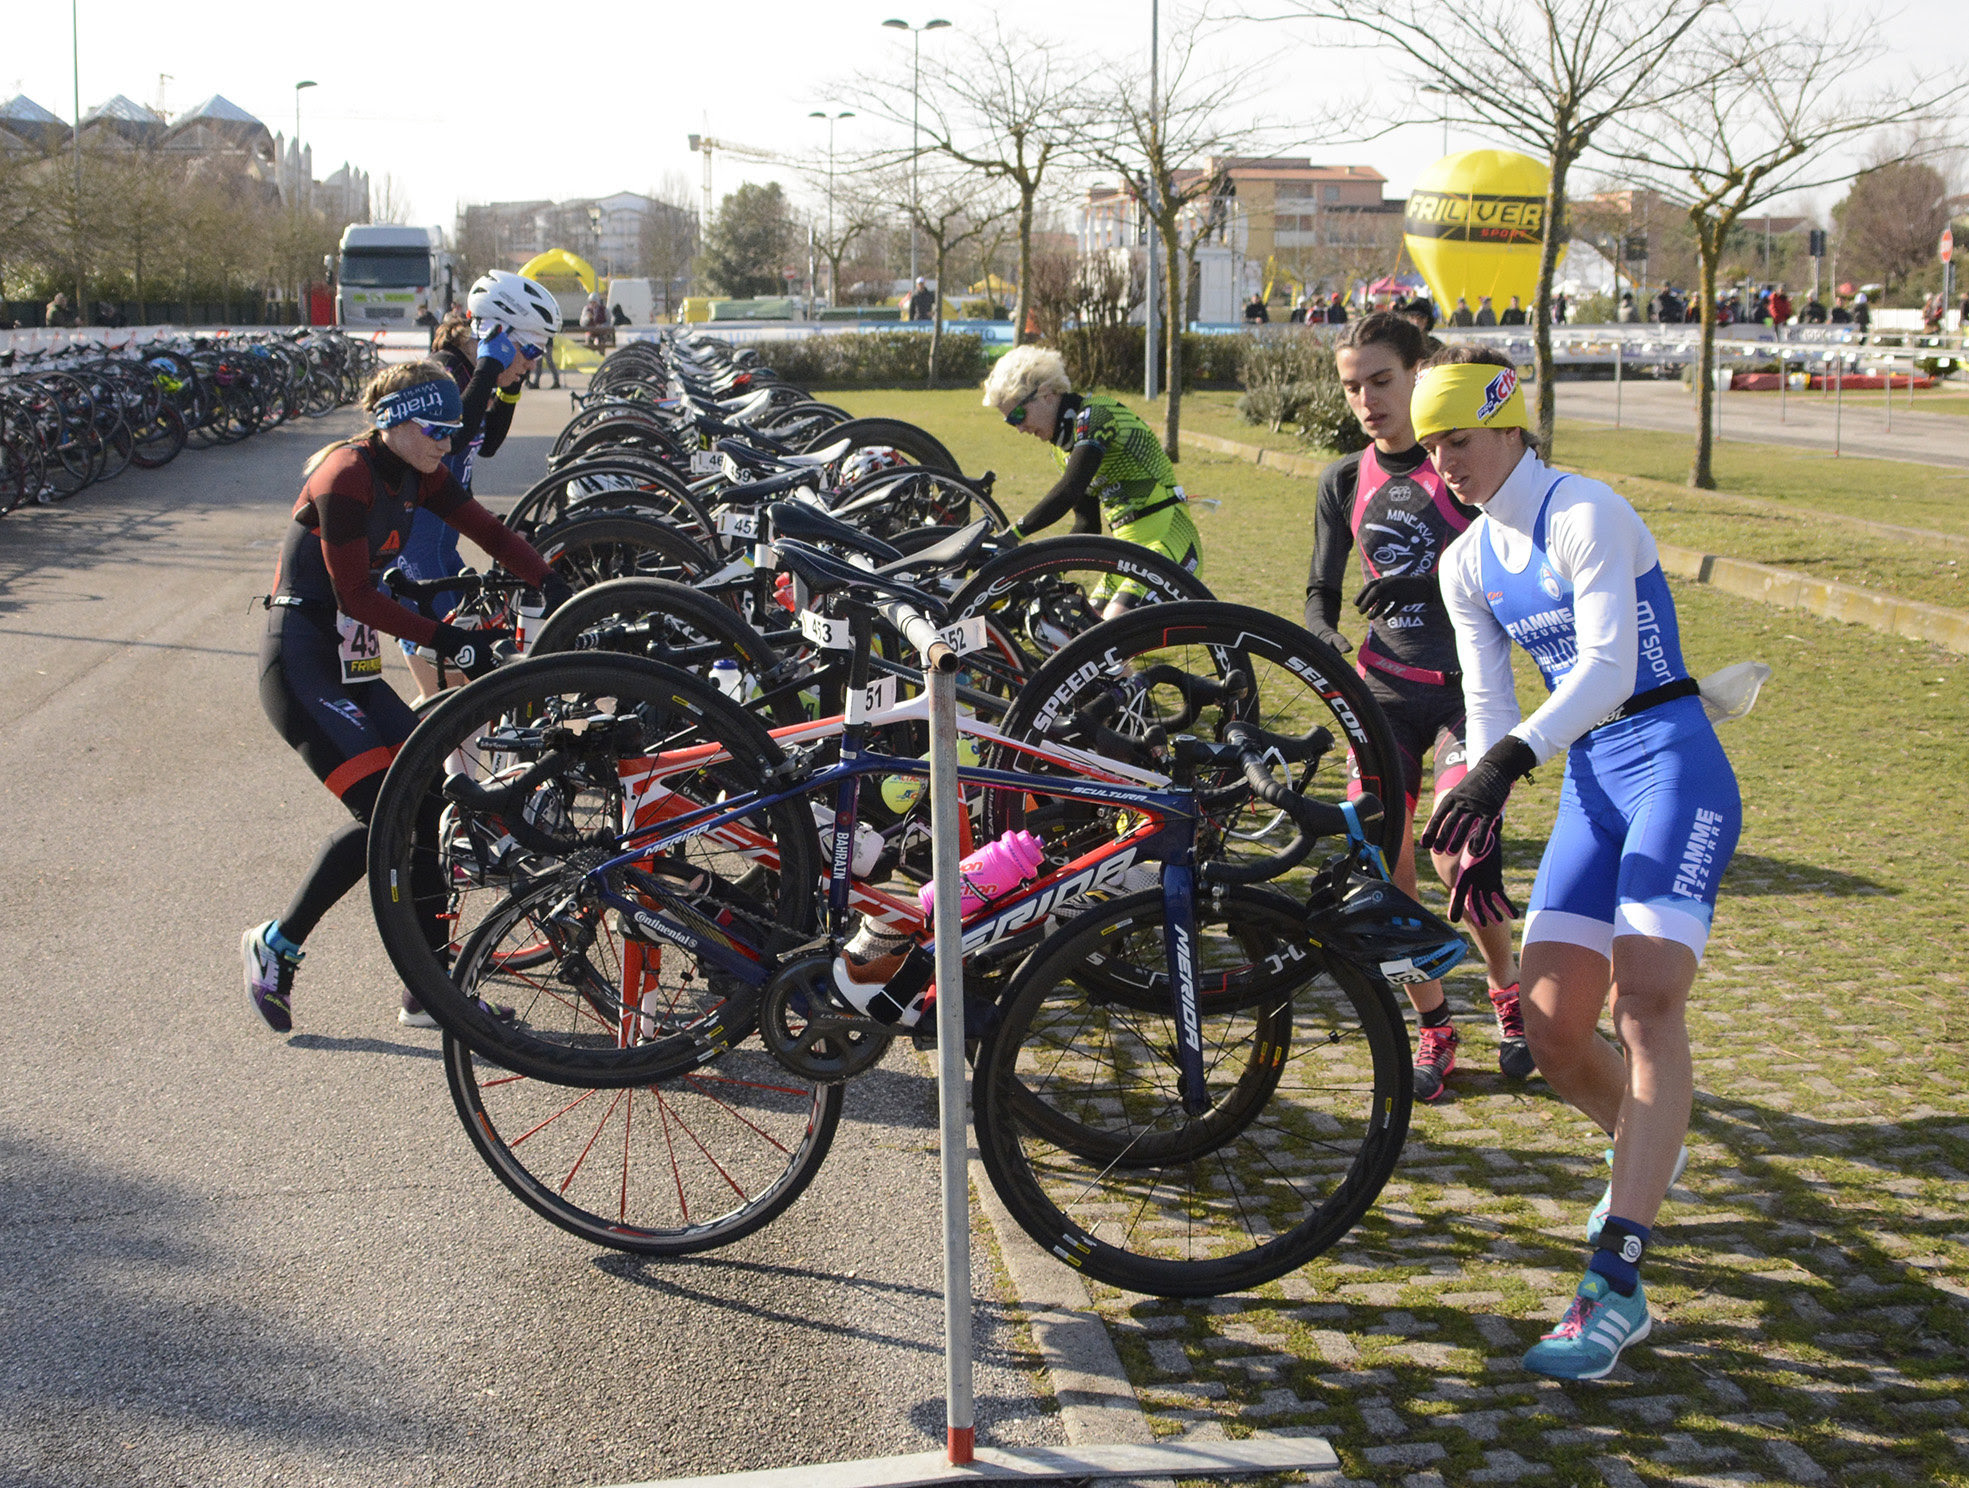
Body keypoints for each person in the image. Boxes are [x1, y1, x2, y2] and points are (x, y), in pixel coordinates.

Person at [1413, 344, 1741, 1380]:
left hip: (1673, 767)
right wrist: (1469, 801)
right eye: (1429, 448)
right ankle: (1647, 1150)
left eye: (1457, 439)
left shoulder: (1585, 512)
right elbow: (1487, 710)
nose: (1444, 465)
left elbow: (1605, 665)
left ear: (1509, 425)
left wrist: (1504, 766)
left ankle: (1615, 1276)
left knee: (1645, 1004)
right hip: (1596, 785)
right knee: (1551, 1034)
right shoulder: (1464, 562)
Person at [241, 357, 570, 1035]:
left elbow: (491, 533)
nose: (446, 444)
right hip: (302, 666)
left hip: (352, 668)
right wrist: (454, 644)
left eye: (455, 431)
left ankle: (428, 990)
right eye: (435, 429)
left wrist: (554, 583)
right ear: (392, 421)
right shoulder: (347, 475)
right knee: (383, 816)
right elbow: (356, 595)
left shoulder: (420, 471)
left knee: (422, 806)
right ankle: (275, 943)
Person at [1304, 313, 1527, 1100]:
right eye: (1351, 386)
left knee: (1456, 856)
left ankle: (1509, 992)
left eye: (1381, 381)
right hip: (1380, 695)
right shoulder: (1341, 480)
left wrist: (1423, 580)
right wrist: (1321, 633)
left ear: (1420, 373)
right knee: (1382, 869)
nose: (1366, 400)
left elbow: (1505, 566)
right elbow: (1319, 590)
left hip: (1465, 693)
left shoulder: (1465, 468)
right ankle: (1433, 1024)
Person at [981, 344, 1201, 617]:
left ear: (1047, 394)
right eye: (1010, 423)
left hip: (1169, 538)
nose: (1019, 429)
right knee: (1081, 638)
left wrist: (1013, 536)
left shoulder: (1095, 417)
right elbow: (1088, 524)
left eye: (1017, 416)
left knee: (1109, 632)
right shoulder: (1062, 447)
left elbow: (1069, 491)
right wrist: (1052, 572)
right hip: (1127, 553)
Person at [392, 305, 533, 701]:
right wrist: (491, 367)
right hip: (416, 542)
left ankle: (427, 756)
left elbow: (484, 446)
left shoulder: (472, 375)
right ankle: (420, 759)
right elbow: (459, 434)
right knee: (452, 692)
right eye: (530, 353)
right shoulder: (447, 373)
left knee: (458, 688)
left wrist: (508, 388)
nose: (528, 367)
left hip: (440, 542)